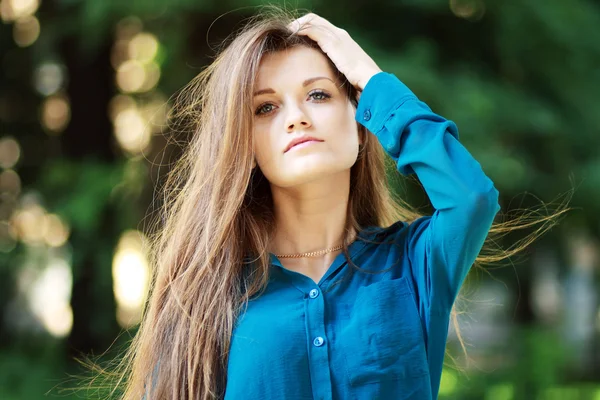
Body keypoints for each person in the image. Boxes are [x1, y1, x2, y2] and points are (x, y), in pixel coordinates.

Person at [97, 6, 566, 400]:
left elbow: (471, 196)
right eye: (266, 107)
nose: (296, 117)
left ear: (362, 123)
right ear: (247, 146)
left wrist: (369, 75)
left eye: (318, 94)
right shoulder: (207, 291)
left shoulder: (413, 265)